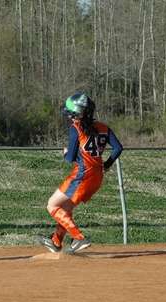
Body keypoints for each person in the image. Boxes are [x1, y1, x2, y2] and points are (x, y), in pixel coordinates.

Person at [40, 92, 123, 254]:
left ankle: (79, 238)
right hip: (97, 176)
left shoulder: (76, 128)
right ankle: (56, 241)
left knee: (52, 205)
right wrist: (106, 164)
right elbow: (118, 148)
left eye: (71, 114)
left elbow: (70, 158)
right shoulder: (103, 127)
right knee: (66, 208)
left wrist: (65, 153)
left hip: (82, 175)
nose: (69, 117)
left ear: (78, 114)